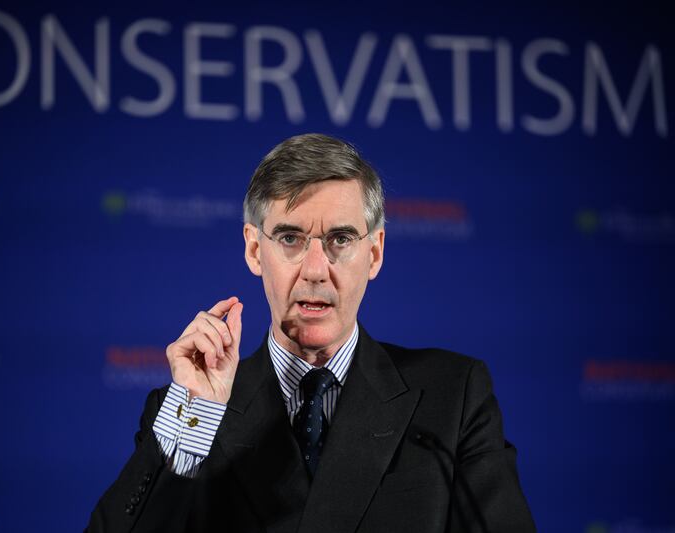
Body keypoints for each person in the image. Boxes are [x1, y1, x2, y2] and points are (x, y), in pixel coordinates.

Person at [86, 133, 535, 532]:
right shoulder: (193, 410)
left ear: (374, 254)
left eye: (341, 239)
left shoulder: (452, 398)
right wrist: (194, 419)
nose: (316, 270)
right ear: (254, 250)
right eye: (290, 238)